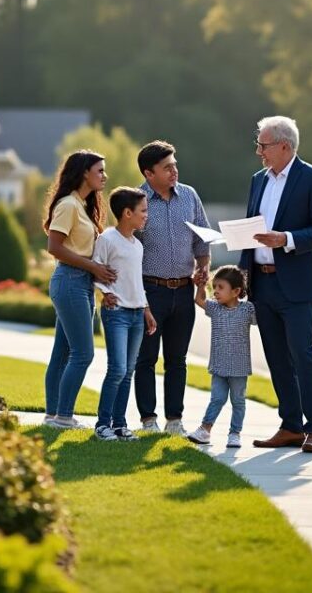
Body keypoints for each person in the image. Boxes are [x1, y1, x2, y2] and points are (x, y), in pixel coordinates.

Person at [241, 116, 312, 454]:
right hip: (262, 285)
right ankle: (291, 426)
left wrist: (287, 239)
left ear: (284, 146)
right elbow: (251, 231)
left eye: (263, 145)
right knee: (277, 358)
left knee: (302, 355)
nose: (258, 152)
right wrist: (242, 276)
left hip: (296, 286)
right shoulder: (257, 180)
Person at [133, 141, 211, 435]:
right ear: (148, 173)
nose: (174, 171)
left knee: (177, 359)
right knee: (146, 358)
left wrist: (203, 267)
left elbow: (202, 238)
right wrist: (139, 299)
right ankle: (148, 420)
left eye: (175, 165)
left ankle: (174, 420)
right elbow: (127, 249)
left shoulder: (189, 196)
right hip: (149, 291)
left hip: (183, 292)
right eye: (167, 167)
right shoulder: (136, 200)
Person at [43, 150, 116, 429]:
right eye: (99, 170)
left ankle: (53, 415)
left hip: (80, 283)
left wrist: (96, 275)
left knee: (62, 353)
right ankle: (63, 416)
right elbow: (55, 247)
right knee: (83, 353)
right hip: (70, 282)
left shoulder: (82, 206)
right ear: (84, 172)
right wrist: (94, 268)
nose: (104, 176)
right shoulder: (68, 205)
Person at [92, 187, 158, 441]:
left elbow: (136, 282)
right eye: (143, 211)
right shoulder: (107, 238)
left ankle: (119, 424)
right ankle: (102, 424)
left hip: (135, 315)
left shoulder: (137, 245)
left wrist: (146, 310)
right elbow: (96, 269)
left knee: (128, 371)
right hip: (116, 312)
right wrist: (103, 292)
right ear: (127, 213)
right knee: (117, 369)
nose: (146, 216)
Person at [186, 266, 255, 449]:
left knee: (238, 401)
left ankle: (234, 433)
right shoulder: (215, 308)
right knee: (217, 398)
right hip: (218, 365)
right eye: (214, 286)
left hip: (239, 367)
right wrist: (201, 285)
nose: (215, 291)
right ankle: (205, 429)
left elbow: (261, 319)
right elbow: (199, 300)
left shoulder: (247, 309)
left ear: (236, 291)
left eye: (220, 287)